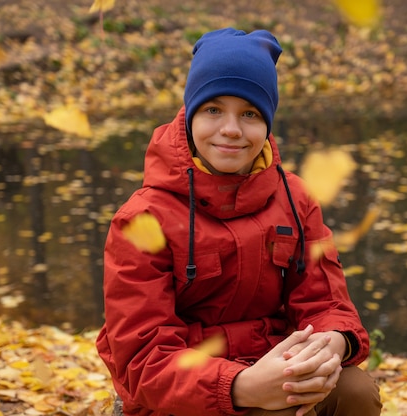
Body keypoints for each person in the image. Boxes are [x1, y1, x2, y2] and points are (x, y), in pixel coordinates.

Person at [96, 27, 382, 416]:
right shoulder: (143, 219)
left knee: (355, 392)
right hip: (181, 394)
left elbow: (325, 300)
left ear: (267, 123)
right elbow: (142, 358)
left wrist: (333, 341)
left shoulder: (296, 199)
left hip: (273, 363)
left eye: (249, 113)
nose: (231, 129)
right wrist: (239, 386)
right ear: (191, 113)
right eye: (214, 109)